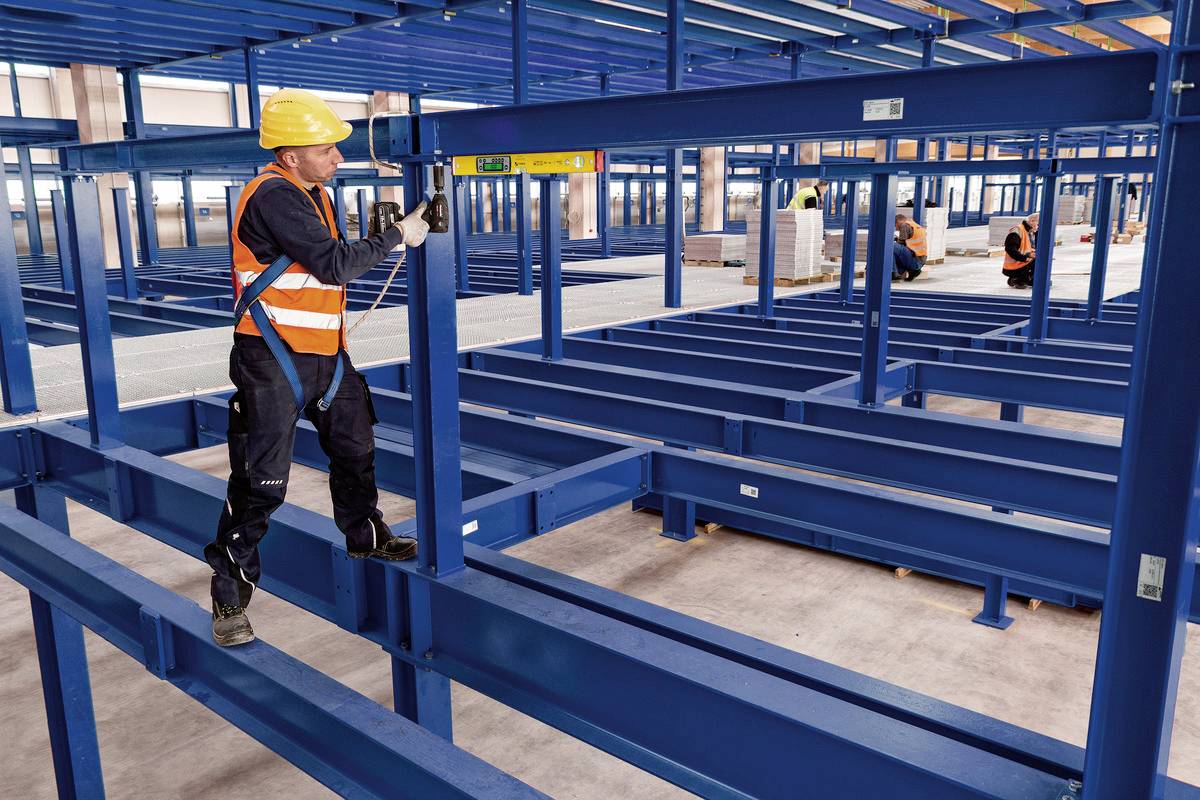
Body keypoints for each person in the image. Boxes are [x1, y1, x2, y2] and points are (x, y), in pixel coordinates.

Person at [205, 88, 431, 647]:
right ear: (290, 155)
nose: (338, 158)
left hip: (326, 356)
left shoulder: (313, 193)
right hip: (271, 358)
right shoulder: (274, 195)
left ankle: (366, 534)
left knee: (356, 450)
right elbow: (332, 265)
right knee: (262, 481)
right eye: (327, 149)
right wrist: (397, 236)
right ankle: (229, 596)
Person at [1002, 213, 1039, 289]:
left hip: (1023, 261)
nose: (1038, 227)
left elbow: (1032, 247)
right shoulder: (1017, 231)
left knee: (1041, 260)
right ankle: (1018, 279)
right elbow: (1010, 249)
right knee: (1037, 262)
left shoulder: (1030, 231)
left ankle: (1026, 279)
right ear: (1032, 221)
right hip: (1016, 263)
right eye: (1038, 224)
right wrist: (1025, 258)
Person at [893, 214, 926, 282]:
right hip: (919, 259)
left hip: (915, 260)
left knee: (891, 246)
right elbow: (907, 244)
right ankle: (910, 271)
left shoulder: (904, 225)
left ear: (898, 222)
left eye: (895, 225)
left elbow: (901, 243)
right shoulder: (914, 225)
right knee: (896, 250)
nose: (896, 228)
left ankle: (893, 273)